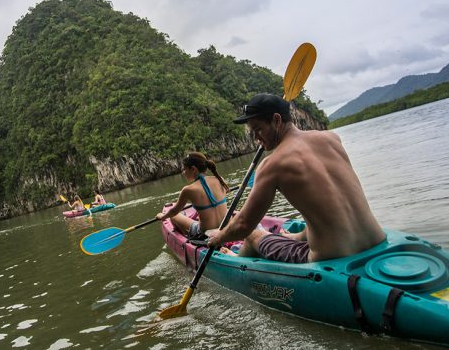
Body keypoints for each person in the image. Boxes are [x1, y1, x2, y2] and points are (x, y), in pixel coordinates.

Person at [207, 93, 386, 263]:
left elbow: (243, 226)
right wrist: (296, 237)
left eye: (258, 129)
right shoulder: (331, 139)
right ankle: (295, 237)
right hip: (376, 240)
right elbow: (328, 211)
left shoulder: (272, 164)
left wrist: (218, 238)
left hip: (333, 256)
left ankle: (234, 258)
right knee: (294, 233)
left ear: (277, 120)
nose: (256, 138)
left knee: (253, 234)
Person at [155, 152, 231, 240]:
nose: (183, 173)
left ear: (193, 169)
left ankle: (186, 239)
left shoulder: (188, 190)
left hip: (206, 234)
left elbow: (174, 211)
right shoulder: (220, 179)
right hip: (227, 228)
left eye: (184, 169)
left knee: (173, 217)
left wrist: (162, 216)